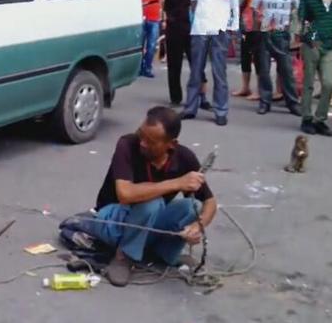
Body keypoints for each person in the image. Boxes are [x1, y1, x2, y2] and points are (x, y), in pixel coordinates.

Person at [61, 107, 218, 287]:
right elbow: (125, 194)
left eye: (150, 141)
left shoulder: (184, 158)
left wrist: (198, 226)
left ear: (171, 144)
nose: (142, 143)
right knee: (152, 203)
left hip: (146, 222)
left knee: (193, 207)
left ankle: (162, 254)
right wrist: (176, 183)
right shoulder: (127, 144)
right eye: (141, 134)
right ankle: (123, 256)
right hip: (113, 220)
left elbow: (210, 202)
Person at [183, 0, 240, 126]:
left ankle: (221, 111)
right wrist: (195, 19)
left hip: (221, 26)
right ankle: (190, 108)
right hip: (200, 26)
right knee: (195, 70)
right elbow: (193, 1)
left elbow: (234, 3)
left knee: (219, 72)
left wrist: (233, 27)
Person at [250, 0, 302, 116]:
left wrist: (295, 33)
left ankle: (292, 102)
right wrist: (255, 32)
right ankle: (265, 102)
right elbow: (254, 9)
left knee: (286, 70)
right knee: (264, 69)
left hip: (282, 33)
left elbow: (297, 12)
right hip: (265, 32)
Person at [298, 0, 332, 136]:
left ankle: (319, 120)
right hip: (312, 45)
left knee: (329, 84)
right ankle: (307, 119)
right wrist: (309, 39)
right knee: (308, 83)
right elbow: (301, 19)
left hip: (328, 46)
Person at [164, 0, 212, 108]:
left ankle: (201, 97)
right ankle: (176, 97)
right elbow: (167, 7)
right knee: (175, 65)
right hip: (175, 28)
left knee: (197, 64)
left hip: (192, 28)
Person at [232, 0, 261, 100]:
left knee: (258, 58)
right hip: (245, 23)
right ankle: (245, 87)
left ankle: (259, 90)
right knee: (245, 56)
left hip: (258, 25)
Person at [141, 0, 164, 78]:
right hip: (142, 18)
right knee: (141, 45)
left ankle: (147, 67)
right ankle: (141, 67)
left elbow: (163, 1)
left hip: (154, 19)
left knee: (151, 46)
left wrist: (163, 19)